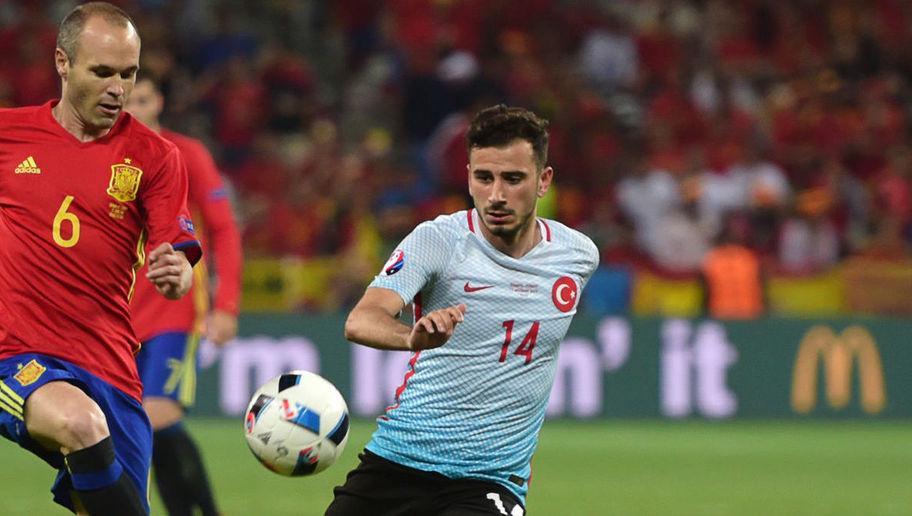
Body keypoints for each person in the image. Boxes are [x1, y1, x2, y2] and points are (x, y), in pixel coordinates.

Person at [326, 105, 600, 516]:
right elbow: (360, 319)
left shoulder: (578, 257)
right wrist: (410, 337)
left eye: (513, 179)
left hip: (489, 482)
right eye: (483, 178)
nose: (496, 195)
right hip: (397, 462)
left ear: (543, 181)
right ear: (468, 174)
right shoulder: (437, 240)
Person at [0, 3, 201, 515]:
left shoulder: (156, 158)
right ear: (63, 63)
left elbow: (173, 256)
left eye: (128, 74)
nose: (118, 88)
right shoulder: (9, 135)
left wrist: (177, 274)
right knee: (79, 424)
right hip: (16, 352)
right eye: (103, 72)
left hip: (108, 363)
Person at [125, 72, 242, 516]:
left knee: (157, 414)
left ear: (158, 103)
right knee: (132, 426)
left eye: (143, 98)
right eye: (127, 100)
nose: (134, 107)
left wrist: (225, 305)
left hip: (174, 307)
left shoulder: (185, 154)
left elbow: (224, 229)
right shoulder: (102, 159)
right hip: (118, 314)